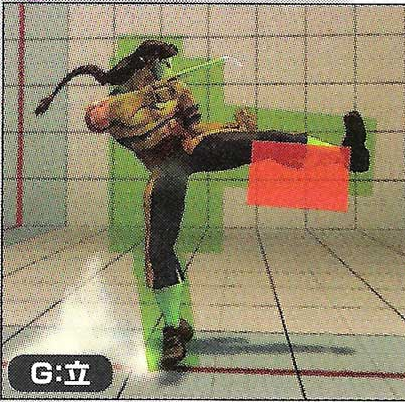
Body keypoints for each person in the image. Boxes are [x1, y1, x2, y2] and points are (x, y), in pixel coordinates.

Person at [35, 40, 370, 369]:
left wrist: (231, 128)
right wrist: (150, 94)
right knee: (158, 248)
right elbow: (97, 119)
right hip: (167, 168)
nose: (163, 71)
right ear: (142, 69)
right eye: (156, 66)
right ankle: (172, 328)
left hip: (194, 148)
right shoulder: (115, 103)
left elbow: (195, 128)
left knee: (264, 142)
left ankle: (345, 158)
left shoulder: (173, 92)